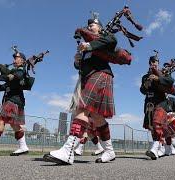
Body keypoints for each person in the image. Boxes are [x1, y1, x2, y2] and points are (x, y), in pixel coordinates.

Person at [43, 15, 117, 165]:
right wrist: (78, 61)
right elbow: (81, 67)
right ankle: (109, 150)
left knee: (81, 108)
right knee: (96, 117)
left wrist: (89, 46)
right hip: (88, 77)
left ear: (100, 28)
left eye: (93, 25)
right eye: (88, 25)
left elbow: (112, 40)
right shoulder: (87, 45)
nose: (89, 26)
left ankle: (68, 150)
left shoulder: (104, 37)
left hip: (101, 74)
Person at [140, 54, 175, 160]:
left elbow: (170, 81)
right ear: (149, 63)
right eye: (151, 61)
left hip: (161, 102)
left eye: (155, 61)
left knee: (157, 123)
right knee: (152, 127)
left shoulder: (163, 73)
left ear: (158, 63)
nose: (153, 63)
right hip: (149, 104)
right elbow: (142, 91)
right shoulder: (145, 76)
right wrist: (145, 86)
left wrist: (158, 78)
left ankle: (155, 147)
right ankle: (156, 150)